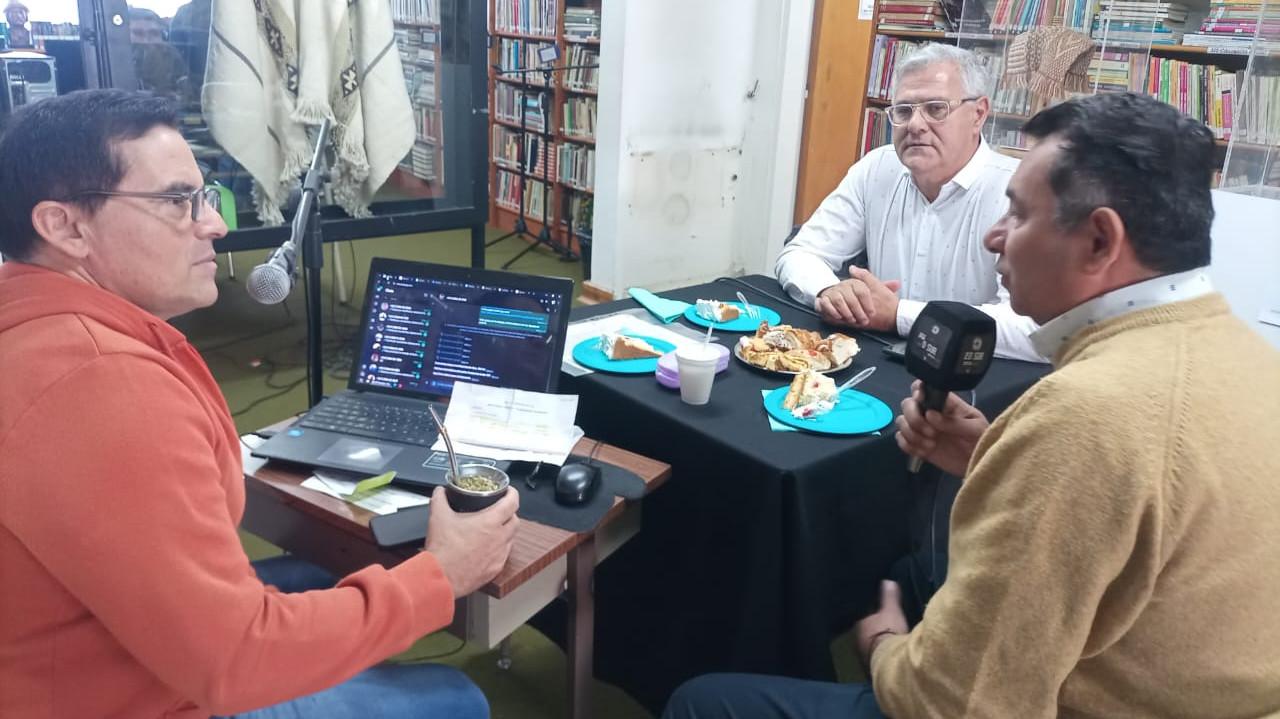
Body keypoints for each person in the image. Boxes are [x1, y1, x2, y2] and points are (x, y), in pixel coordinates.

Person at [666, 92, 1280, 718]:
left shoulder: (1086, 416)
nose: (994, 237)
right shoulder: (1249, 359)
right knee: (913, 572)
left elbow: (955, 703)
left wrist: (883, 645)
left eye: (1019, 214)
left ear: (1100, 240)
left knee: (703, 701)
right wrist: (993, 456)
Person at [0, 89, 518, 718]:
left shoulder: (32, 326)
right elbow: (236, 660)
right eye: (176, 201)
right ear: (65, 227)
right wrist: (443, 573)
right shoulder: (100, 384)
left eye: (206, 196)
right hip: (132, 694)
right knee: (456, 700)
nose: (216, 225)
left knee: (324, 576)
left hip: (87, 647)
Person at [776, 43, 1043, 362]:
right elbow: (800, 253)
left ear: (978, 114)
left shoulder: (1021, 191)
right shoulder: (877, 168)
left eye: (935, 109)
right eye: (903, 111)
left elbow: (1034, 330)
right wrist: (829, 290)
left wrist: (899, 315)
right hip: (881, 361)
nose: (915, 125)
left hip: (976, 377)